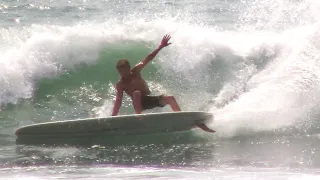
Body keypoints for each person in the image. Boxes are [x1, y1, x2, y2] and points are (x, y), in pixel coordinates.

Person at [111, 34, 181, 116]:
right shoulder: (121, 84)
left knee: (170, 98)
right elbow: (118, 101)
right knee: (136, 93)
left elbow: (148, 58)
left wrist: (160, 47)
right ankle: (139, 116)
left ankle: (180, 116)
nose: (123, 74)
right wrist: (113, 116)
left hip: (150, 99)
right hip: (140, 105)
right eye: (121, 72)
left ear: (129, 68)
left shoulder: (136, 71)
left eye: (124, 71)